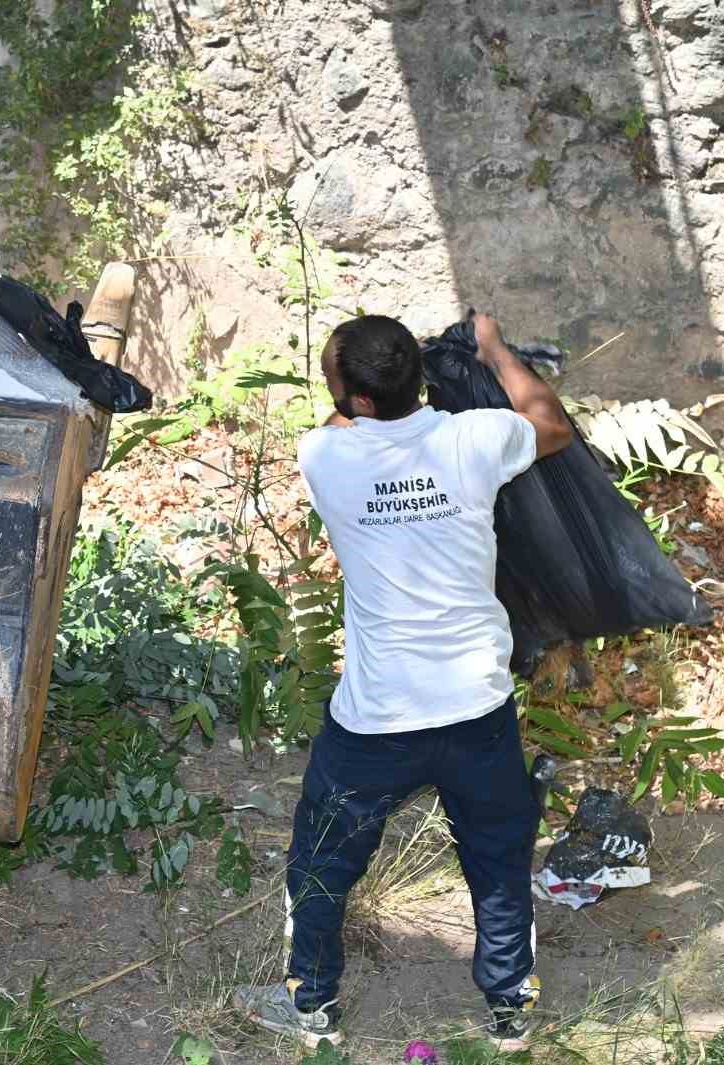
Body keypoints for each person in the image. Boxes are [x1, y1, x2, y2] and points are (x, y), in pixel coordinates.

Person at [232, 312, 575, 1051]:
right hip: (477, 708)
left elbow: (343, 414)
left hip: (377, 721)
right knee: (496, 857)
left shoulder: (326, 455)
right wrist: (492, 346)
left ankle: (312, 1003)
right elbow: (549, 422)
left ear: (352, 398)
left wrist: (363, 378)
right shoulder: (476, 438)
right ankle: (511, 1004)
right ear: (418, 377)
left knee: (323, 860)